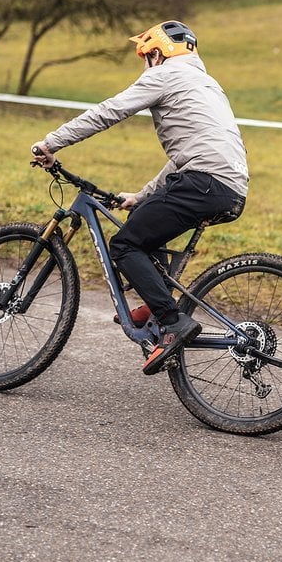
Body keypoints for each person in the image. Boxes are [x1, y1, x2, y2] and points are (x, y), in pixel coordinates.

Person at [31, 21, 248, 375]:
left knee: (125, 246)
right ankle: (154, 303)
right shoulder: (207, 84)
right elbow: (187, 156)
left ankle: (173, 323)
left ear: (158, 53)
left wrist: (51, 142)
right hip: (227, 186)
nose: (144, 64)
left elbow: (109, 112)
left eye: (145, 56)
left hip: (202, 181)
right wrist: (141, 195)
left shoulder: (165, 75)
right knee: (145, 218)